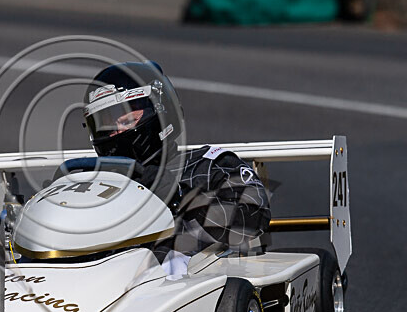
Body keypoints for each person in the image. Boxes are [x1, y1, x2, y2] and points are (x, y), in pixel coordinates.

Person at [82, 61, 271, 277]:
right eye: (105, 122)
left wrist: (180, 195)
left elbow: (253, 214)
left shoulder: (208, 165)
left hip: (191, 288)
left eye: (125, 118)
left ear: (161, 110)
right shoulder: (97, 185)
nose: (115, 130)